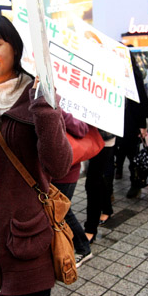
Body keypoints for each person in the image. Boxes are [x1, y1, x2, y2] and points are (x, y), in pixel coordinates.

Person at [0, 14, 72, 296]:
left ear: (16, 49)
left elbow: (59, 165)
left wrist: (45, 109)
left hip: (27, 238)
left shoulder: (37, 94)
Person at [51, 112, 92, 268]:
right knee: (54, 212)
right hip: (48, 171)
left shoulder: (70, 102)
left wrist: (58, 112)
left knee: (62, 212)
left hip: (66, 171)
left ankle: (83, 248)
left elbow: (82, 129)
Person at [115, 54, 148, 198]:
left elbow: (141, 99)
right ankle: (110, 189)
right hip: (114, 120)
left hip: (130, 121)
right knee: (116, 153)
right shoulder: (105, 72)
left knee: (133, 155)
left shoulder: (134, 74)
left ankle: (135, 184)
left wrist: (142, 125)